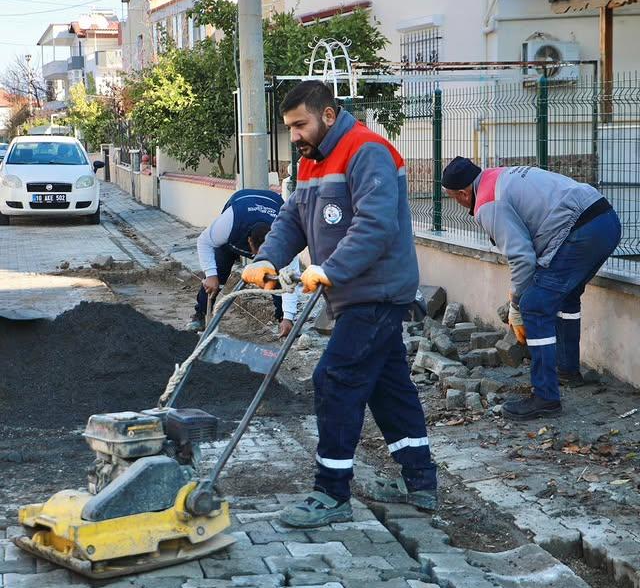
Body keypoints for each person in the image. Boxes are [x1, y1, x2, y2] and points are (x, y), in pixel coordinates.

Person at [242, 80, 438, 528]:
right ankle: (419, 481)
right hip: (354, 295)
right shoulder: (313, 162)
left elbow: (375, 225)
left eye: (299, 125)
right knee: (390, 389)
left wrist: (331, 269)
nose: (293, 135)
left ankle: (331, 492)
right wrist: (268, 257)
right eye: (289, 127)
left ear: (328, 115)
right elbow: (293, 216)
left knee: (334, 379)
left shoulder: (368, 151)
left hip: (377, 293)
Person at [442, 157, 621, 421]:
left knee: (535, 306)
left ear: (462, 193)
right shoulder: (497, 176)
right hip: (606, 221)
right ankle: (567, 370)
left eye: (452, 198)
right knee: (566, 296)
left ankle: (545, 397)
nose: (455, 203)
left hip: (583, 230)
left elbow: (522, 257)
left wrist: (516, 304)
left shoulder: (488, 203)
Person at [188, 188, 299, 336]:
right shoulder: (230, 222)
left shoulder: (285, 237)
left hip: (271, 206)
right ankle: (201, 314)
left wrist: (288, 316)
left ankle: (283, 321)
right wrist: (210, 275)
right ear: (249, 242)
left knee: (278, 279)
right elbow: (204, 241)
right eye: (257, 254)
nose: (258, 258)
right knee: (217, 273)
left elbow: (290, 280)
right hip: (240, 216)